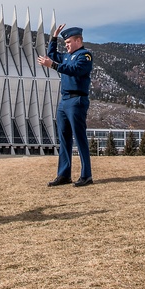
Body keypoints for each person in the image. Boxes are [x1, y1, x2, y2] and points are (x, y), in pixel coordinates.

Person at [37, 24, 93, 187]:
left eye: (68, 42)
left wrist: (53, 65)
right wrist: (54, 37)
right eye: (65, 42)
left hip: (77, 100)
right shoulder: (67, 56)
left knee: (79, 137)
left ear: (78, 40)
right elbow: (52, 54)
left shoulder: (85, 56)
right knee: (64, 138)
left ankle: (86, 175)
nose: (66, 45)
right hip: (64, 101)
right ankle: (64, 174)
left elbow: (75, 70)